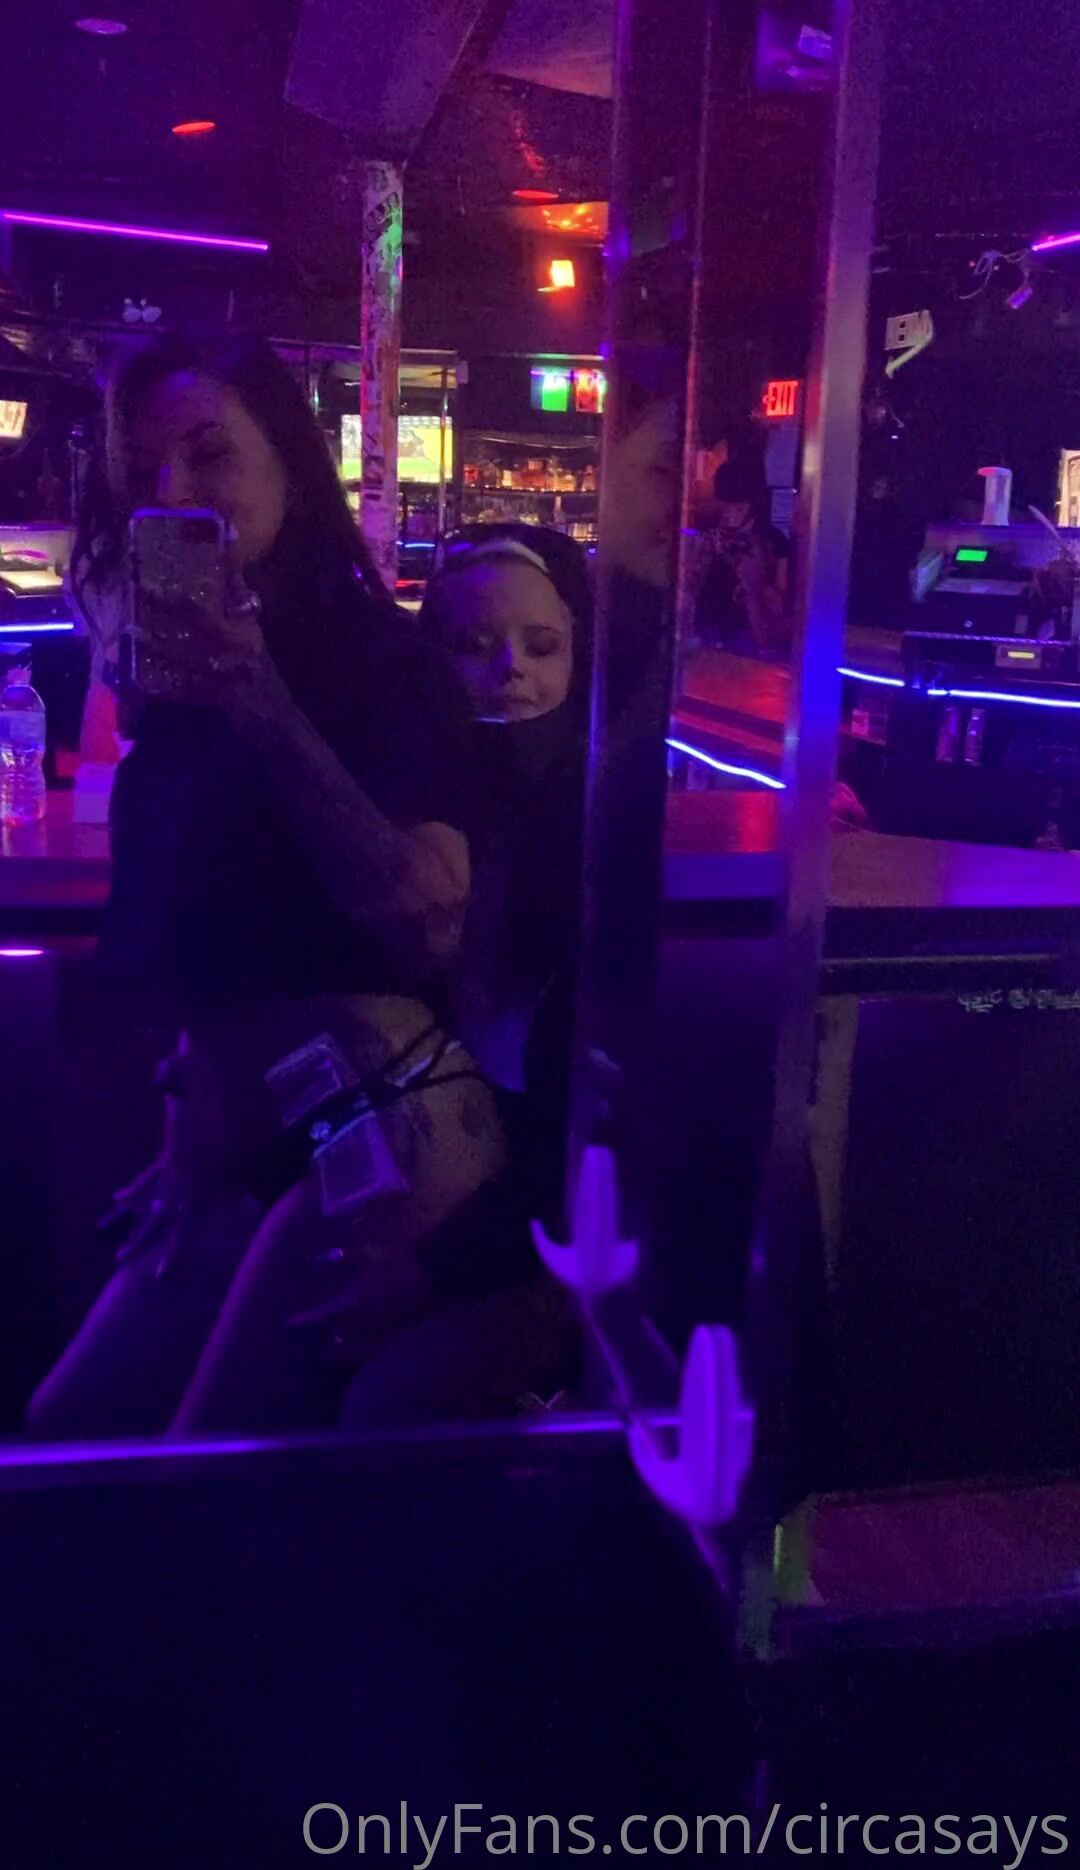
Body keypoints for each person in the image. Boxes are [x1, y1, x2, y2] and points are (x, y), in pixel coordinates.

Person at [28, 332, 507, 1439]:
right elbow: (215, 941)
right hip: (243, 1138)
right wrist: (191, 1112)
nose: (173, 491)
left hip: (387, 1122)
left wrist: (264, 706)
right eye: (143, 469)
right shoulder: (179, 674)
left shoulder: (385, 667)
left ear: (291, 460)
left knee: (196, 1482)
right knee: (68, 1431)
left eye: (210, 456)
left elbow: (428, 921)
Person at [696, 456, 791, 657]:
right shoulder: (710, 534)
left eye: (739, 507)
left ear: (753, 504)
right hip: (708, 640)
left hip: (748, 644)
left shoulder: (774, 542)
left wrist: (752, 579)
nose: (730, 515)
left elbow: (779, 608)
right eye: (726, 506)